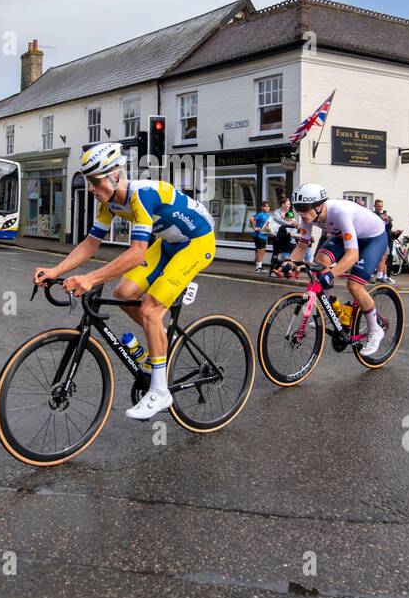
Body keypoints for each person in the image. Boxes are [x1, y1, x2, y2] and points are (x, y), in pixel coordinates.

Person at [33, 142, 216, 420]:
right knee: (123, 292)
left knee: (150, 310)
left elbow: (136, 252)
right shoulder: (110, 203)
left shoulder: (140, 196)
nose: (91, 189)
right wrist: (56, 271)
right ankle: (159, 345)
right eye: (87, 181)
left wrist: (91, 278)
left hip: (196, 242)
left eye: (95, 181)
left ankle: (160, 392)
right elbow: (91, 243)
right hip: (168, 243)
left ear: (114, 176)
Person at [277, 184, 388, 357]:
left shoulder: (339, 212)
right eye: (298, 208)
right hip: (344, 236)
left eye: (304, 208)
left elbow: (352, 255)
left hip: (373, 238)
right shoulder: (308, 217)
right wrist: (290, 263)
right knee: (320, 261)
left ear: (319, 206)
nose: (301, 213)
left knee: (354, 286)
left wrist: (330, 274)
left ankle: (375, 330)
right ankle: (329, 311)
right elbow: (301, 246)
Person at [268, 196, 297, 271]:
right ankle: (272, 271)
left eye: (290, 204)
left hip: (286, 238)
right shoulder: (276, 212)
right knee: (276, 253)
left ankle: (282, 270)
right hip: (278, 236)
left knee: (286, 255)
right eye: (288, 204)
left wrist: (295, 223)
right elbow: (279, 221)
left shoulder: (289, 213)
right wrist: (290, 223)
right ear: (283, 204)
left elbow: (294, 221)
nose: (289, 205)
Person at [373, 200, 398, 283]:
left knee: (384, 257)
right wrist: (379, 219)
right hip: (375, 238)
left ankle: (381, 276)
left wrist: (387, 221)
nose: (380, 208)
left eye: (381, 206)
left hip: (384, 238)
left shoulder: (384, 215)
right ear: (375, 206)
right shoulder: (372, 215)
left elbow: (389, 227)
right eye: (378, 206)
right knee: (378, 257)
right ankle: (374, 276)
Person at [250, 200, 272, 272]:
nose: (267, 208)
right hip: (258, 235)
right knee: (259, 250)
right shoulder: (260, 214)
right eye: (265, 206)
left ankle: (260, 266)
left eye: (268, 206)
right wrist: (254, 228)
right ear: (262, 207)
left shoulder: (268, 216)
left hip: (264, 235)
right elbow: (252, 219)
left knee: (263, 251)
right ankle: (257, 268)